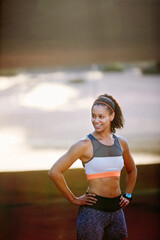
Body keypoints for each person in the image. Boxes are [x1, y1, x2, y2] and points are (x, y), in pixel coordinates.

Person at [48, 93, 137, 240]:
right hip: (93, 212)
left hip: (117, 211)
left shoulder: (121, 143)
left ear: (111, 116)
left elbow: (132, 170)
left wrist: (127, 195)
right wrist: (73, 199)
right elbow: (54, 172)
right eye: (93, 116)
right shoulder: (83, 145)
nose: (96, 121)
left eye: (101, 116)